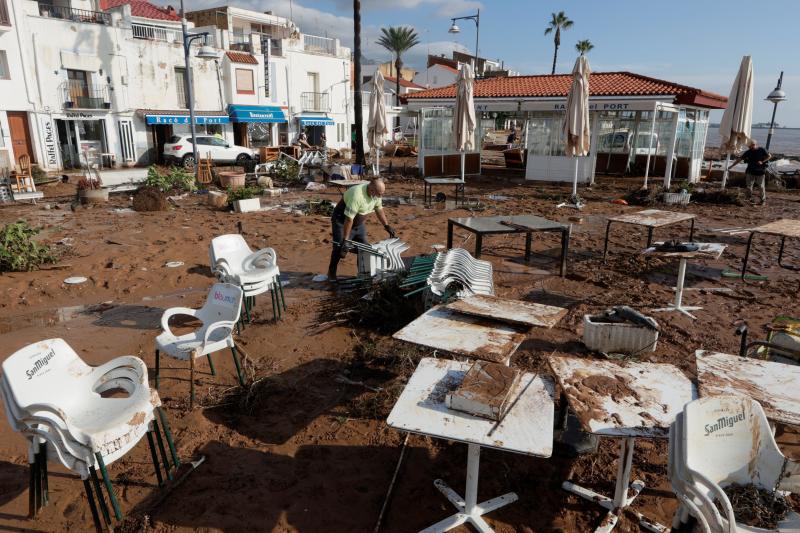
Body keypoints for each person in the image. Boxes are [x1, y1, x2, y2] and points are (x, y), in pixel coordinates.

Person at [327, 178, 396, 281]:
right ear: (372, 190)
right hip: (342, 221)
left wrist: (386, 225)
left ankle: (362, 274)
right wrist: (346, 240)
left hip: (359, 223)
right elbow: (348, 219)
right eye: (379, 194)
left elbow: (379, 209)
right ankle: (331, 273)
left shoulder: (376, 195)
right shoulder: (357, 195)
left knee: (364, 248)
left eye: (382, 194)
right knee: (339, 247)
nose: (380, 196)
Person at [729, 140, 771, 205]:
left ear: (754, 144)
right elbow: (740, 159)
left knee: (761, 186)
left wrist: (762, 161)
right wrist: (731, 166)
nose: (749, 147)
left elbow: (769, 156)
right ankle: (749, 199)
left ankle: (763, 200)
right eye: (749, 146)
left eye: (750, 146)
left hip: (760, 171)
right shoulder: (748, 152)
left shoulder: (762, 149)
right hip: (750, 171)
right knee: (749, 186)